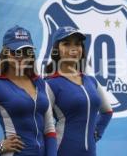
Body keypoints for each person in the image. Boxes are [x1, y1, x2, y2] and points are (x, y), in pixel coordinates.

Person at [0, 25, 57, 156]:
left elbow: (49, 129)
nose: (21, 56)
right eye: (15, 51)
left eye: (26, 51)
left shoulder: (41, 83)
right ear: (5, 52)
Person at [45, 26, 113, 156]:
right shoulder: (50, 84)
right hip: (62, 151)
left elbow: (107, 112)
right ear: (56, 50)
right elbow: (44, 126)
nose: (74, 48)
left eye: (77, 44)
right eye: (66, 44)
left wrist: (97, 133)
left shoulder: (91, 81)